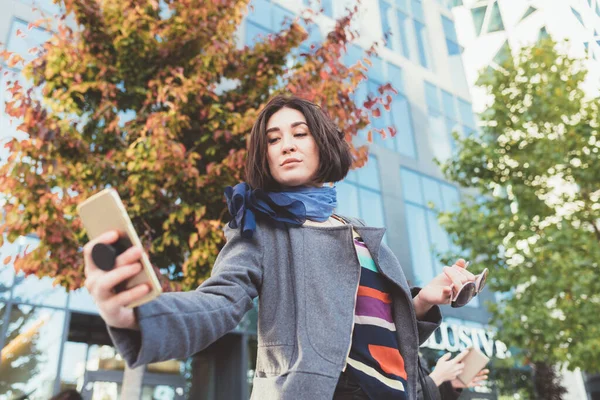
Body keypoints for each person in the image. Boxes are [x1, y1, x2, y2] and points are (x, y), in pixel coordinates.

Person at [83, 95, 478, 399]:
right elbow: (219, 303)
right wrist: (137, 316)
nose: (286, 144)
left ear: (322, 143)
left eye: (299, 133)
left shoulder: (358, 231)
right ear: (265, 155)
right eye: (274, 139)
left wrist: (425, 299)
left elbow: (382, 334)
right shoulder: (261, 231)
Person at [417, 351, 489, 400]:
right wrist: (437, 378)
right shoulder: (408, 353)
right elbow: (408, 395)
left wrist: (450, 384)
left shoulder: (417, 356)